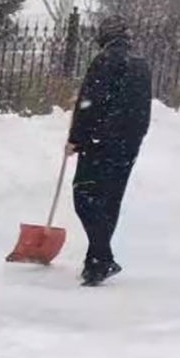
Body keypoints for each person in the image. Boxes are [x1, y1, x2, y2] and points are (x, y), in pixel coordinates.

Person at [67, 17, 152, 287]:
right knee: (110, 200)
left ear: (104, 36)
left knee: (83, 195)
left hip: (99, 141)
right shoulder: (141, 64)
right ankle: (95, 264)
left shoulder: (104, 61)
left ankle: (102, 257)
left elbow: (89, 103)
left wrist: (76, 138)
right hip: (128, 144)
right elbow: (143, 109)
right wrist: (135, 137)